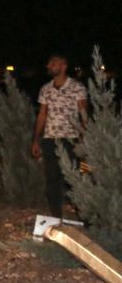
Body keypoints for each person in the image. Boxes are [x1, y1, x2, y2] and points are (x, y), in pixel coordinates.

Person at [31, 52, 88, 219]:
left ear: (64, 66)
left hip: (70, 139)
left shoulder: (77, 87)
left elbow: (83, 114)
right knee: (52, 179)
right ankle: (56, 217)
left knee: (75, 178)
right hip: (50, 140)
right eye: (49, 63)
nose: (49, 66)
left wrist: (85, 139)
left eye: (53, 63)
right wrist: (36, 140)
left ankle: (84, 216)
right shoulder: (46, 89)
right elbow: (42, 115)